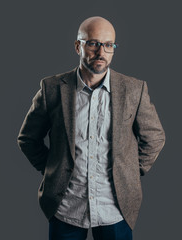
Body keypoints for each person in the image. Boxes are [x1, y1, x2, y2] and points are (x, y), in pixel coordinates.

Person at [17, 16, 165, 240]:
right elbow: (28, 138)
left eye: (108, 45)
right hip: (66, 207)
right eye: (93, 43)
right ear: (78, 46)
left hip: (115, 209)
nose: (101, 52)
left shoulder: (134, 89)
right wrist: (53, 169)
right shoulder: (53, 89)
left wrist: (130, 173)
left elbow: (154, 138)